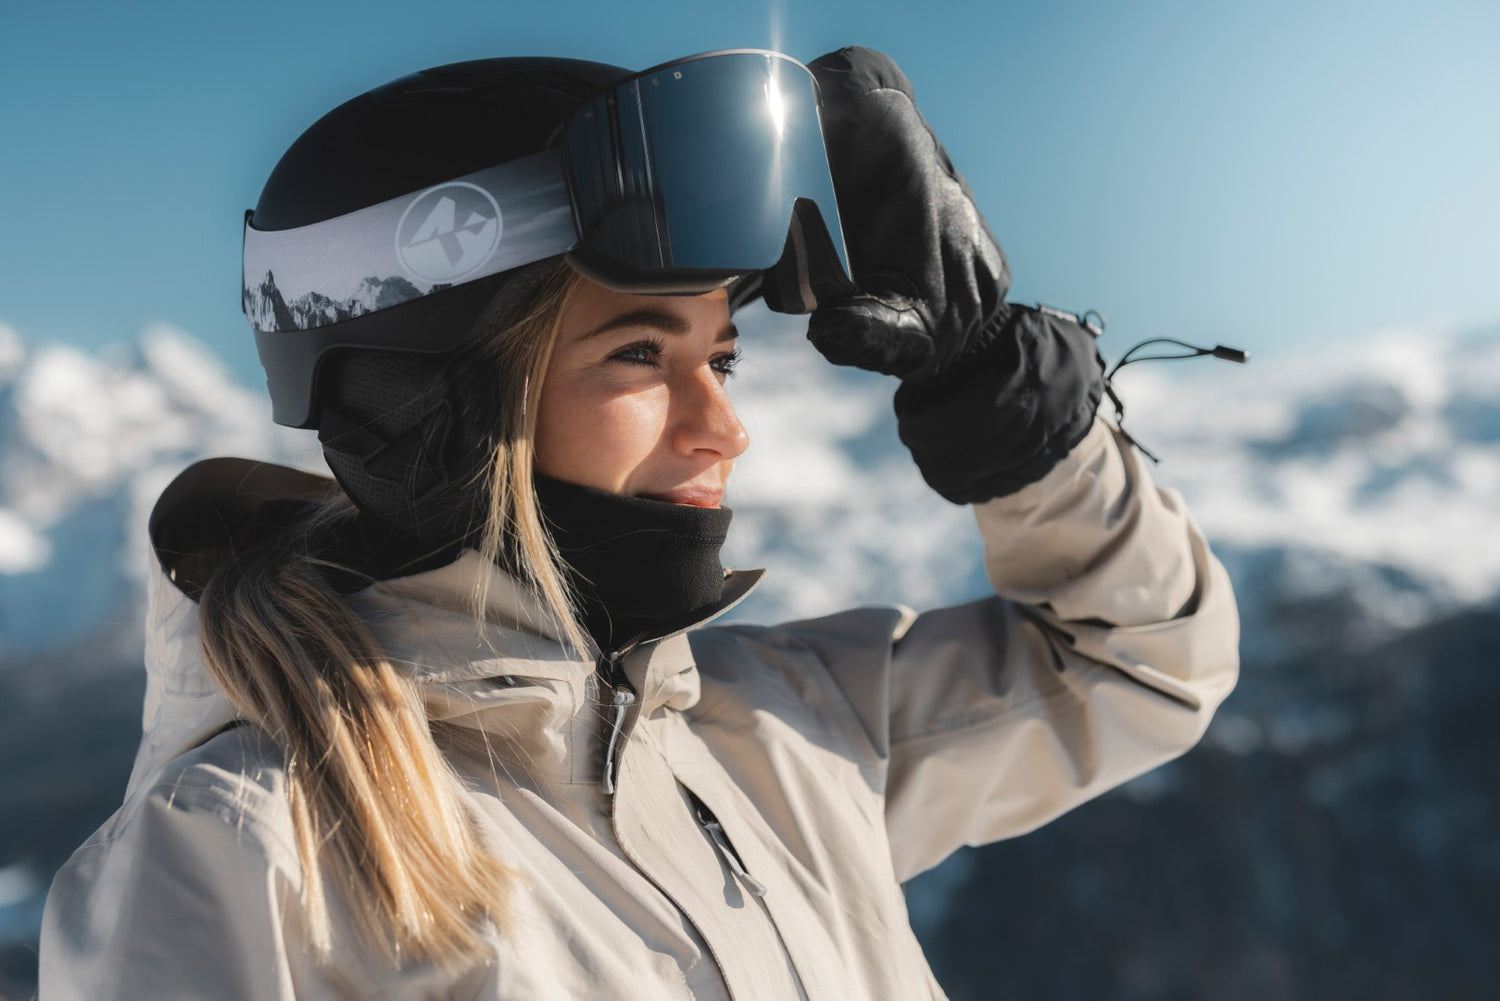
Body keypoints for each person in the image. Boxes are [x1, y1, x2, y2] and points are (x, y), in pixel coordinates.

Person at [38, 48, 1238, 999]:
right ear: (436, 405)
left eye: (722, 353)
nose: (725, 427)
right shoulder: (236, 860)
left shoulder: (770, 733)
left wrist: (1007, 404)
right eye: (638, 353)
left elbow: (1134, 661)